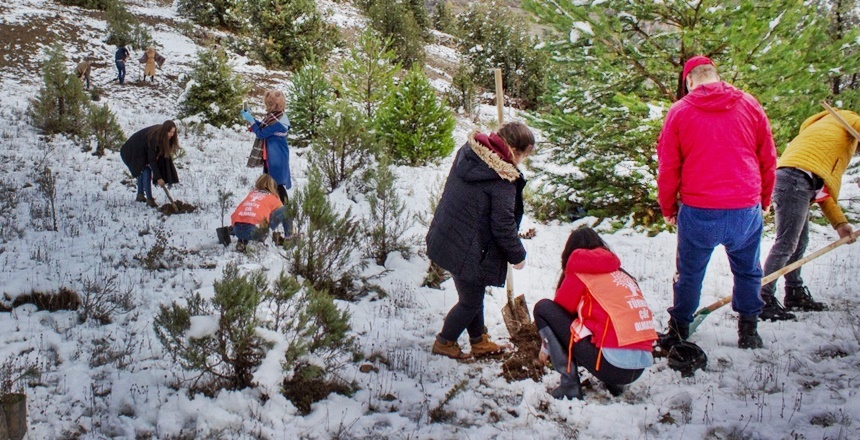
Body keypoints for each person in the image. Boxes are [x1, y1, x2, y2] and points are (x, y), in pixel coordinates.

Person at [656, 56, 777, 351]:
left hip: (700, 210)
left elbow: (668, 165)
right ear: (714, 76)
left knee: (690, 272)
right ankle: (749, 330)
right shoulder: (749, 104)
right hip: (744, 206)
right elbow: (768, 156)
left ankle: (679, 329)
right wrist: (764, 199)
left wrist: (668, 207)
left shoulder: (680, 111)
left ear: (689, 81)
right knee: (749, 270)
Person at [426, 122, 535, 360]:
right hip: (469, 247)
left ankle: (478, 341)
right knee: (470, 301)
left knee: (473, 295)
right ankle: (445, 341)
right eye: (525, 155)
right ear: (518, 151)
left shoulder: (471, 153)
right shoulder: (501, 179)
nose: (523, 161)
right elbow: (503, 224)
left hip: (450, 235)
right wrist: (517, 256)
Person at [758, 109, 860, 321]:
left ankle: (794, 292)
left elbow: (824, 192)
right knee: (787, 243)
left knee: (799, 241)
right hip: (796, 179)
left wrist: (840, 224)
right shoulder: (849, 120)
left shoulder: (821, 130)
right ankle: (762, 299)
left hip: (792, 177)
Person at [533, 228, 656, 400]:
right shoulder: (622, 274)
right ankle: (614, 384)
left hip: (612, 366)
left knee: (543, 308)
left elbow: (559, 313)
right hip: (638, 368)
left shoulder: (580, 269)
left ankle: (569, 385)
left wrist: (545, 347)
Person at [241, 90, 291, 203]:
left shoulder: (279, 121)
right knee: (271, 182)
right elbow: (263, 127)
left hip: (277, 156)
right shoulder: (276, 116)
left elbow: (261, 133)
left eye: (269, 104)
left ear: (274, 104)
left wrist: (250, 120)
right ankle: (273, 206)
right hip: (271, 155)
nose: (267, 106)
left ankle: (286, 210)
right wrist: (251, 119)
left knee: (277, 184)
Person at [120, 120, 181, 207]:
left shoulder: (161, 135)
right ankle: (149, 200)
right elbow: (152, 160)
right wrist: (159, 178)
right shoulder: (154, 138)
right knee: (146, 171)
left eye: (173, 132)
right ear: (165, 130)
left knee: (142, 170)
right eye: (169, 132)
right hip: (130, 152)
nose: (171, 134)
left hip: (138, 151)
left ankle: (140, 196)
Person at [229, 174, 293, 252]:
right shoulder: (272, 197)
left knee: (247, 216)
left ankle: (241, 241)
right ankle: (289, 240)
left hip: (237, 230)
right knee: (286, 210)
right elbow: (282, 212)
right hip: (255, 231)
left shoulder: (251, 194)